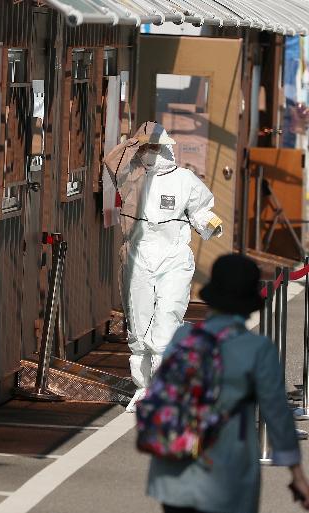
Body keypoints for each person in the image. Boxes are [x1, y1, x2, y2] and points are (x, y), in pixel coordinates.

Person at [146, 254, 309, 513]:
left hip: (174, 472)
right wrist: (297, 475)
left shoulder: (183, 337)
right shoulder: (257, 349)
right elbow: (276, 414)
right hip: (227, 476)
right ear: (250, 304)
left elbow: (159, 389)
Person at [104, 122, 224, 412]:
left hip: (173, 256)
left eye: (156, 146)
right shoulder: (131, 176)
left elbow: (200, 210)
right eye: (147, 147)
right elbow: (110, 161)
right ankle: (144, 387)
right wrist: (136, 140)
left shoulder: (185, 179)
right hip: (138, 254)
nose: (152, 152)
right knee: (139, 322)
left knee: (168, 317)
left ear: (168, 148)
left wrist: (210, 224)